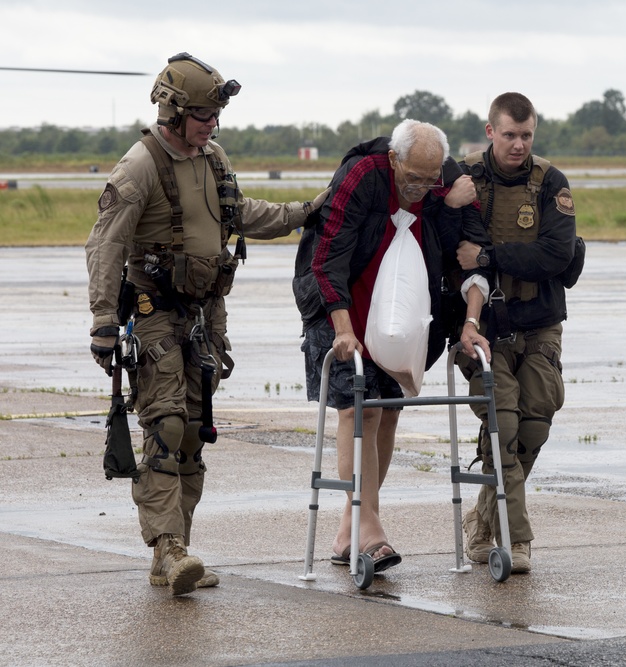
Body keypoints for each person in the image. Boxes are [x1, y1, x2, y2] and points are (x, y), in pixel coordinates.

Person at [85, 52, 328, 596]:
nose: (212, 124)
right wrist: (104, 321)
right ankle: (169, 550)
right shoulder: (139, 166)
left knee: (194, 433)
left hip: (205, 319)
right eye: (203, 115)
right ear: (172, 112)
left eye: (215, 115)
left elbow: (241, 212)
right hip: (155, 316)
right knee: (166, 428)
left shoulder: (213, 158)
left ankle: (177, 551)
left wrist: (305, 211)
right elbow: (105, 245)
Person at [293, 119, 491, 572]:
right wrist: (342, 328)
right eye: (412, 178)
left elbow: (471, 245)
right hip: (340, 301)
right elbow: (327, 259)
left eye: (431, 179)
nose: (420, 188)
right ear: (394, 159)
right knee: (357, 407)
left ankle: (352, 528)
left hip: (401, 312)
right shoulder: (365, 174)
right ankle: (370, 527)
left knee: (386, 413)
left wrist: (469, 320)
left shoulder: (444, 180)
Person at [455, 92, 579, 573]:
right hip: (486, 329)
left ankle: (481, 521)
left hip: (542, 324)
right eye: (509, 135)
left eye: (526, 136)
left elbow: (557, 255)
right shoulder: (467, 178)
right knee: (502, 429)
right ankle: (517, 539)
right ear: (491, 132)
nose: (518, 145)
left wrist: (489, 257)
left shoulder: (551, 182)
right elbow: (453, 249)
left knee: (534, 427)